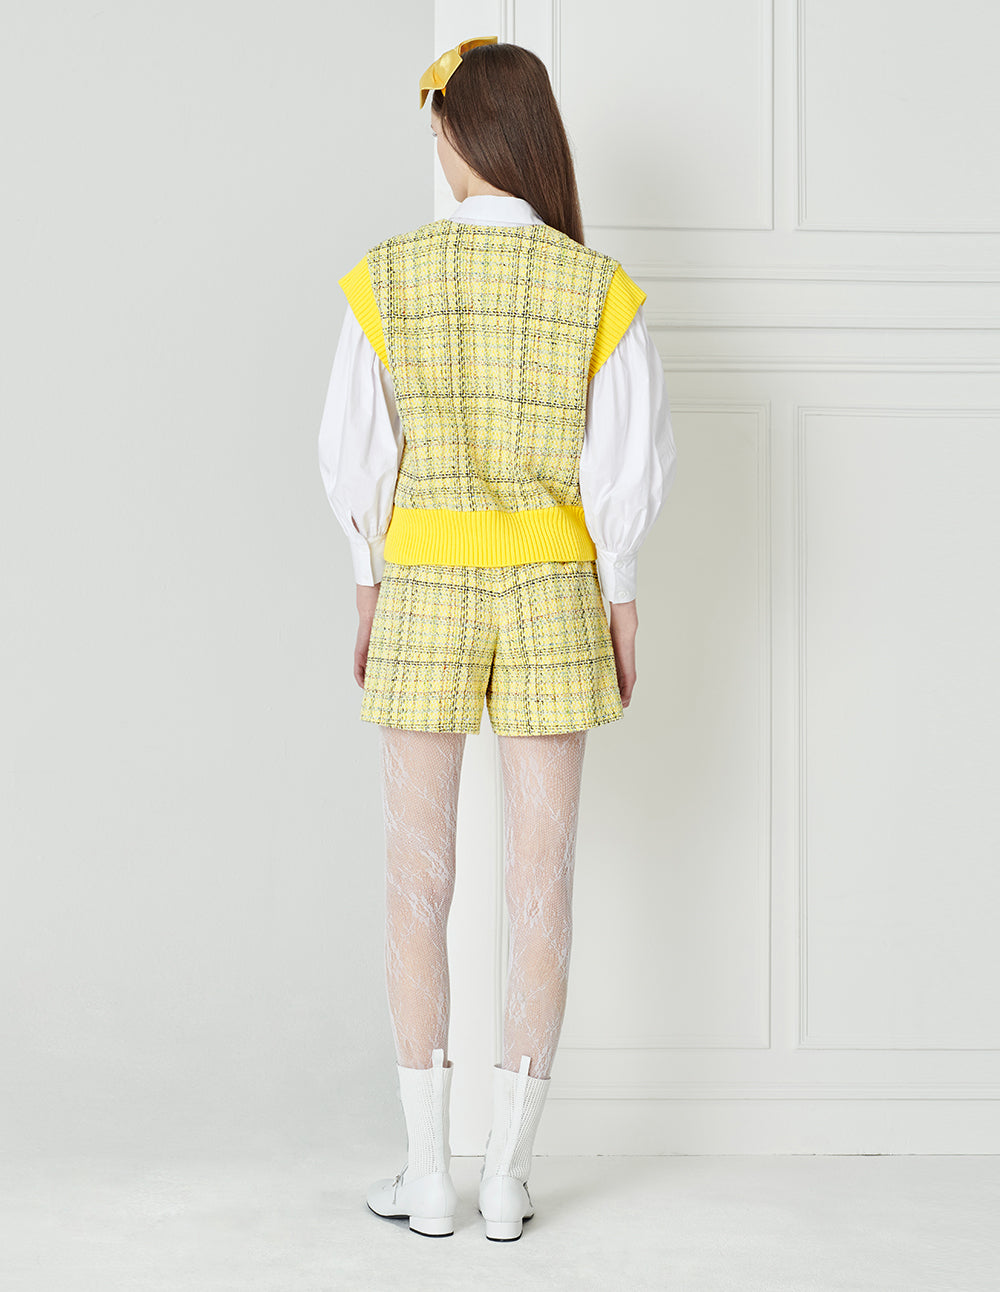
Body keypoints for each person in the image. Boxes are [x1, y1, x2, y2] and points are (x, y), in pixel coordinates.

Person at [317, 36, 677, 1242]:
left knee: (416, 880)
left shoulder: (388, 276)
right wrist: (620, 596)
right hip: (554, 591)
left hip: (423, 580)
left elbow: (356, 459)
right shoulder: (595, 286)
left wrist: (366, 583)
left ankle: (428, 1173)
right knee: (540, 879)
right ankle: (510, 1177)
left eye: (435, 125)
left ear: (456, 132)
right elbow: (622, 469)